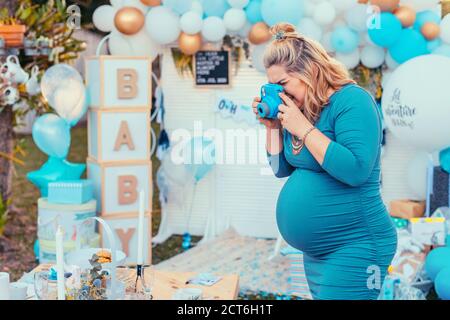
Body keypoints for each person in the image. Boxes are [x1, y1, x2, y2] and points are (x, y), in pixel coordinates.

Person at [252, 23, 397, 300]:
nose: (280, 94)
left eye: (283, 84)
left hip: (357, 244)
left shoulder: (352, 101)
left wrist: (303, 128)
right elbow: (279, 169)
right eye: (272, 86)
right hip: (317, 252)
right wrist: (272, 126)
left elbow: (356, 170)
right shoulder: (304, 111)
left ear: (310, 71)